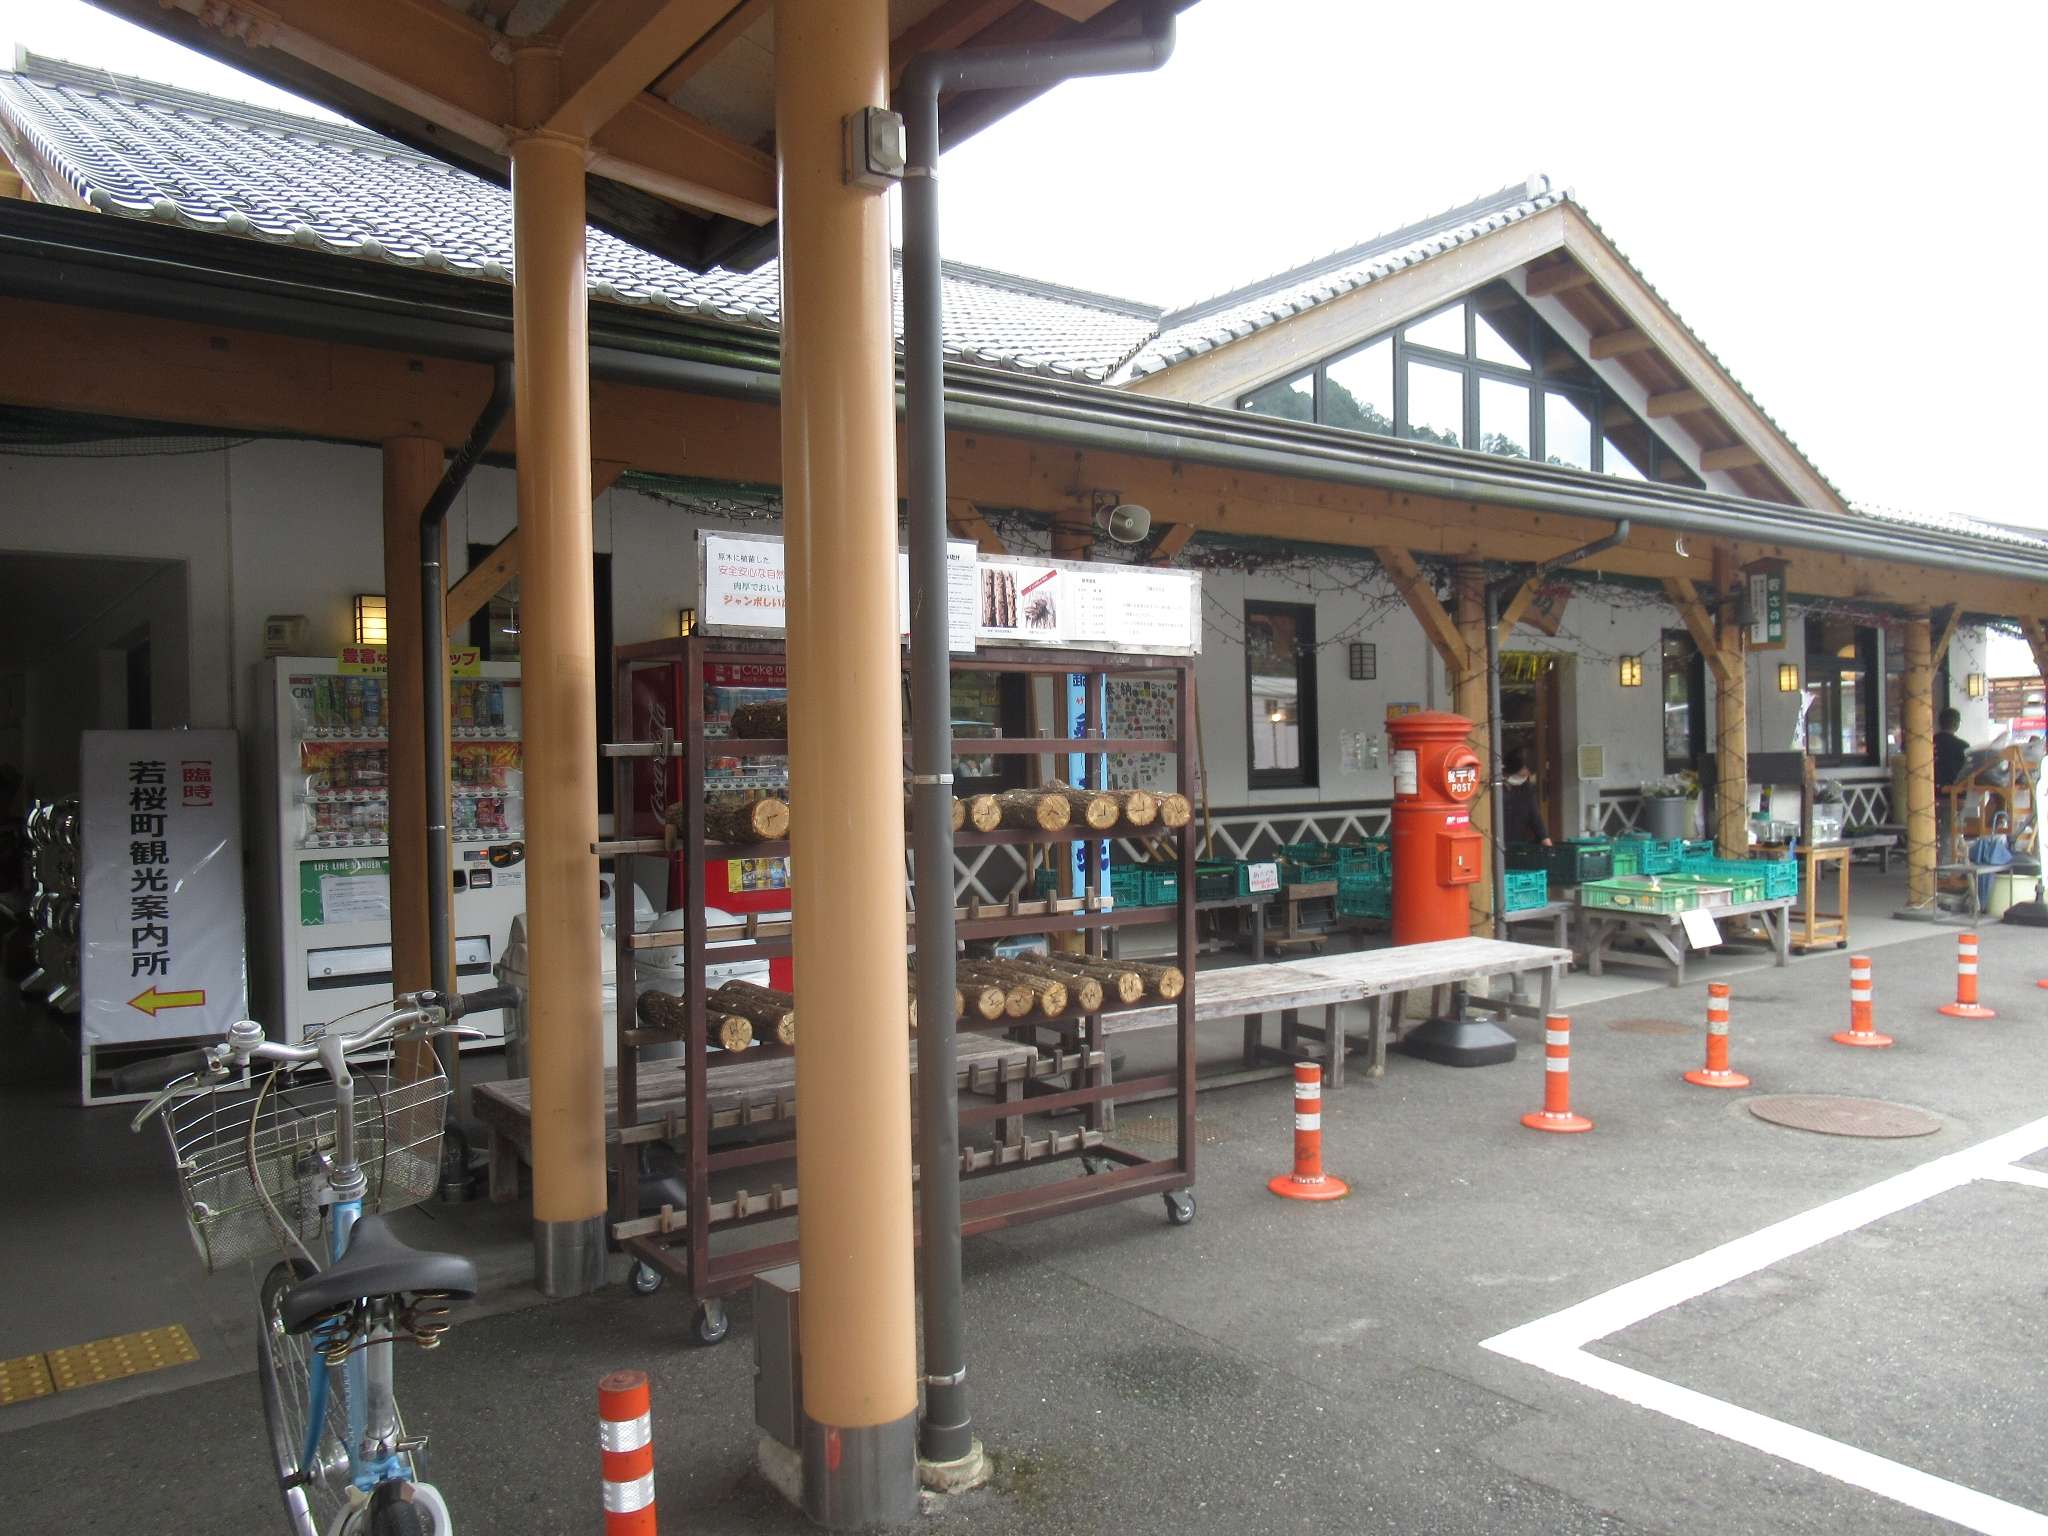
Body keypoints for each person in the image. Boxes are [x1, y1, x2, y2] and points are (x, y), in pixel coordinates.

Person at [1934, 707, 1968, 860]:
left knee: (1933, 832)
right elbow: (1968, 771)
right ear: (1955, 723)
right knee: (1950, 832)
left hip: (1928, 795)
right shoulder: (1962, 746)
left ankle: (1929, 862)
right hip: (1954, 796)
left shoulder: (1928, 743)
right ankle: (1945, 870)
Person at [1500, 748, 1551, 848]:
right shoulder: (1496, 786)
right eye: (1523, 772)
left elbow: (1535, 817)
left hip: (1518, 843)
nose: (1526, 776)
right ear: (1513, 768)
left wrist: (1545, 840)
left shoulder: (1526, 788)